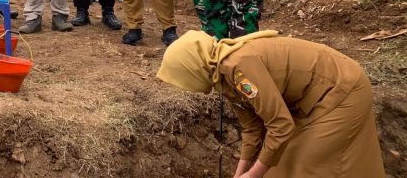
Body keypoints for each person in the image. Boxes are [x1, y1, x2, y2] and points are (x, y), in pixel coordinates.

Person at [157, 30, 386, 178]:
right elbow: (253, 127)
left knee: (307, 163)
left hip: (340, 91)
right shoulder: (221, 75)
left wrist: (254, 174)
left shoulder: (238, 66)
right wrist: (241, 173)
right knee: (277, 167)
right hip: (312, 100)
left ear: (192, 68)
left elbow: (280, 125)